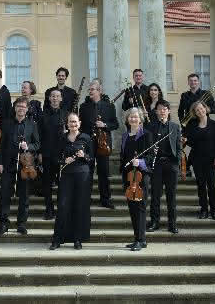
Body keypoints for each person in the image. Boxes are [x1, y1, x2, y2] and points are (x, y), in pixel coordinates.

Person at [0, 96, 40, 236]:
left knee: (24, 196)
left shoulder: (32, 124)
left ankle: (21, 223)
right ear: (15, 108)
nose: (21, 108)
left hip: (25, 165)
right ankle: (3, 223)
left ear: (27, 109)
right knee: (4, 195)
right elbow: (1, 146)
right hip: (8, 164)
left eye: (23, 106)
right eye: (19, 106)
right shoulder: (7, 123)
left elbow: (37, 144)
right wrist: (0, 163)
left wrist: (29, 146)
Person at [49, 112, 93, 250]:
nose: (73, 124)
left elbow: (92, 158)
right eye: (70, 122)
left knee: (79, 206)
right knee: (62, 205)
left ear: (79, 123)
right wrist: (63, 160)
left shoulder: (86, 138)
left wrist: (84, 155)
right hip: (67, 174)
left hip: (82, 175)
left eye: (75, 122)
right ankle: (57, 239)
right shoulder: (62, 138)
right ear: (67, 124)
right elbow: (54, 157)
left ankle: (77, 239)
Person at [79, 79, 119, 209]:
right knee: (87, 172)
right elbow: (81, 127)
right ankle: (85, 198)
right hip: (88, 144)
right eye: (89, 89)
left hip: (103, 144)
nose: (90, 91)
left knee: (103, 172)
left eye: (92, 89)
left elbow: (115, 124)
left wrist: (105, 125)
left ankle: (105, 199)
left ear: (99, 91)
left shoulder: (109, 106)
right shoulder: (84, 107)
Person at [120, 107, 154, 251]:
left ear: (140, 119)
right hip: (128, 176)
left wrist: (140, 162)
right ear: (127, 119)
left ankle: (141, 239)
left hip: (140, 176)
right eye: (131, 117)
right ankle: (138, 239)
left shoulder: (147, 135)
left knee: (140, 208)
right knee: (132, 208)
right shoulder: (125, 136)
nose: (133, 119)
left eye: (136, 117)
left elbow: (151, 156)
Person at [146, 100, 182, 234]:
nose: (162, 111)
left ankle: (172, 224)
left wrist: (177, 162)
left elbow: (178, 146)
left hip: (171, 164)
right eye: (160, 109)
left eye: (165, 109)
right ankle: (155, 222)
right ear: (156, 111)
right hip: (157, 165)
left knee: (171, 196)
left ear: (169, 111)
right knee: (155, 195)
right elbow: (148, 146)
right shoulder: (150, 126)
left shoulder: (174, 126)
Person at [184, 102, 215, 220]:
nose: (200, 111)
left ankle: (214, 210)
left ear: (205, 109)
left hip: (211, 160)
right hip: (197, 160)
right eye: (197, 110)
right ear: (195, 113)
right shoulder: (192, 125)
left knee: (212, 185)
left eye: (201, 108)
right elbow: (190, 142)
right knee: (201, 185)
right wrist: (185, 140)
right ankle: (204, 210)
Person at [177, 73, 215, 178]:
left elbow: (214, 109)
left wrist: (204, 109)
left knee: (197, 147)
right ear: (188, 82)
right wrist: (183, 121)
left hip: (203, 125)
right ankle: (185, 168)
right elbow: (180, 111)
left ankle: (191, 167)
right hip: (189, 125)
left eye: (195, 80)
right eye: (191, 81)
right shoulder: (184, 95)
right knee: (180, 146)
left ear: (198, 82)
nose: (193, 83)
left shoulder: (206, 94)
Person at [38, 89, 67, 220]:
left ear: (61, 99)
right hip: (47, 154)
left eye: (57, 96)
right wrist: (39, 153)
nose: (55, 98)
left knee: (62, 184)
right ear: (49, 99)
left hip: (62, 155)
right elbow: (38, 136)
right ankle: (49, 209)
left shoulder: (66, 114)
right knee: (47, 184)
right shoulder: (42, 115)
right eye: (53, 96)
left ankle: (61, 208)